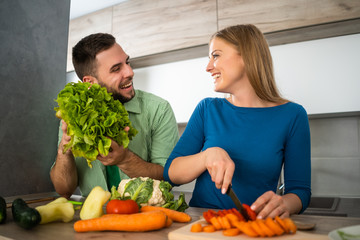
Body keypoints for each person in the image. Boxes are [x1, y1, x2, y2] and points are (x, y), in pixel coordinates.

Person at [164, 24, 311, 219]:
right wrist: (207, 156)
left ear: (246, 56)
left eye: (215, 55)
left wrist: (283, 203)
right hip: (202, 225)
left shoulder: (293, 115)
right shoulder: (207, 109)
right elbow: (171, 174)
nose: (208, 67)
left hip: (252, 225)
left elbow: (300, 191)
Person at [50, 33, 179, 198]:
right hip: (93, 216)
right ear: (90, 82)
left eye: (127, 62)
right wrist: (64, 149)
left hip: (143, 215)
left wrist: (125, 159)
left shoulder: (158, 110)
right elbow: (64, 190)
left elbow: (169, 178)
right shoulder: (75, 113)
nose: (130, 72)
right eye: (116, 69)